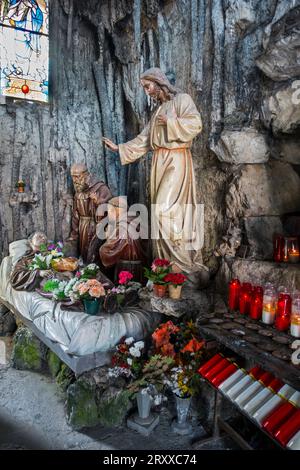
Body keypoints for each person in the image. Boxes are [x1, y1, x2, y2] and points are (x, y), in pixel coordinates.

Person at [103, 67, 207, 276]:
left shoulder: (182, 100)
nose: (147, 91)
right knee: (160, 212)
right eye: (144, 88)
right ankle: (166, 266)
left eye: (148, 86)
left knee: (165, 210)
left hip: (176, 160)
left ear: (159, 82)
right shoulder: (158, 111)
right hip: (159, 162)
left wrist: (171, 122)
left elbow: (196, 124)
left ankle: (182, 264)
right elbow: (144, 140)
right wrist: (119, 148)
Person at [66, 163, 112, 263]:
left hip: (97, 228)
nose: (75, 180)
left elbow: (111, 209)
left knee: (96, 256)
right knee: (85, 255)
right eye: (73, 177)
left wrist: (98, 201)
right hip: (83, 228)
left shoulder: (101, 188)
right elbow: (75, 215)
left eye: (77, 177)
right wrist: (74, 233)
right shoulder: (79, 191)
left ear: (86, 175)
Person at [98, 196, 148, 277]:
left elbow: (108, 250)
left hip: (127, 269)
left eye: (110, 210)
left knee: (125, 288)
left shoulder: (122, 226)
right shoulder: (134, 218)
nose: (108, 214)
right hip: (140, 267)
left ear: (117, 210)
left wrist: (108, 236)